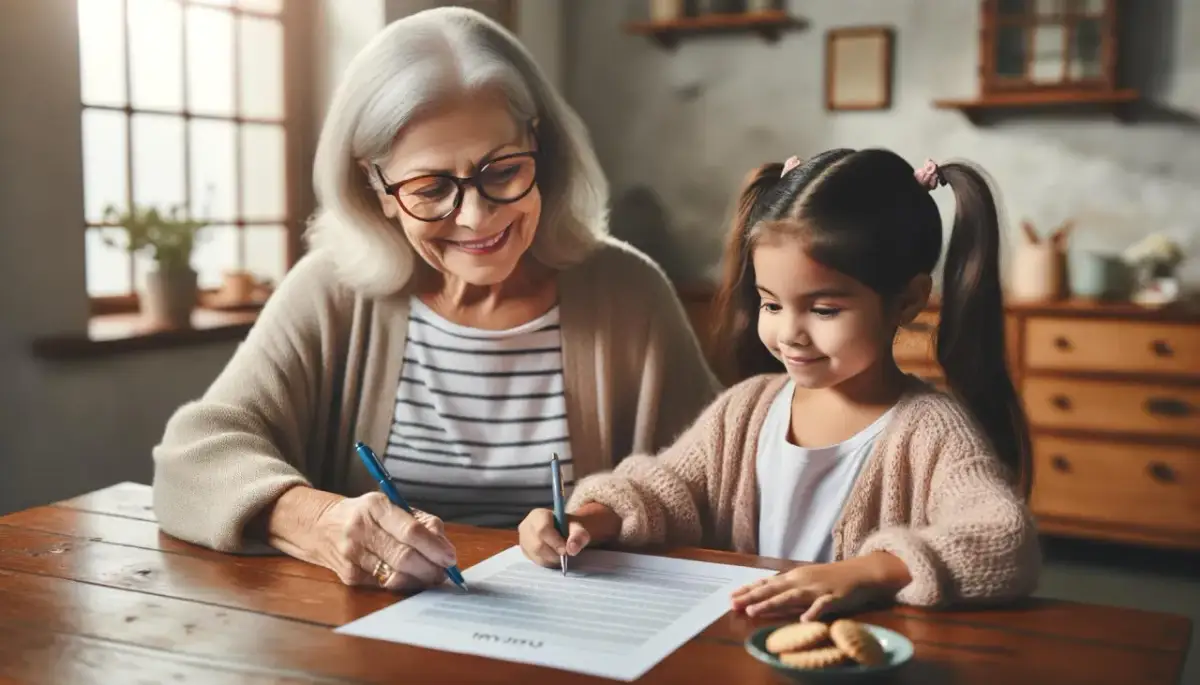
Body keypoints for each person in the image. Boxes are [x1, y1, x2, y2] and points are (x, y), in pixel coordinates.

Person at [152, 7, 718, 593]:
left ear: (541, 149)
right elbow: (191, 457)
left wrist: (606, 518)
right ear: (379, 192)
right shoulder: (332, 292)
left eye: (502, 172)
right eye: (430, 189)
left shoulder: (628, 294)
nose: (476, 217)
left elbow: (716, 483)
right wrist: (317, 521)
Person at [519, 149, 1041, 620]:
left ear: (907, 301)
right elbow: (667, 488)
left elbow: (1002, 539)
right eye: (770, 303)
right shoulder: (746, 409)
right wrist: (592, 518)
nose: (788, 332)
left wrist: (866, 572)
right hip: (735, 647)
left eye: (823, 308)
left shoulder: (932, 432)